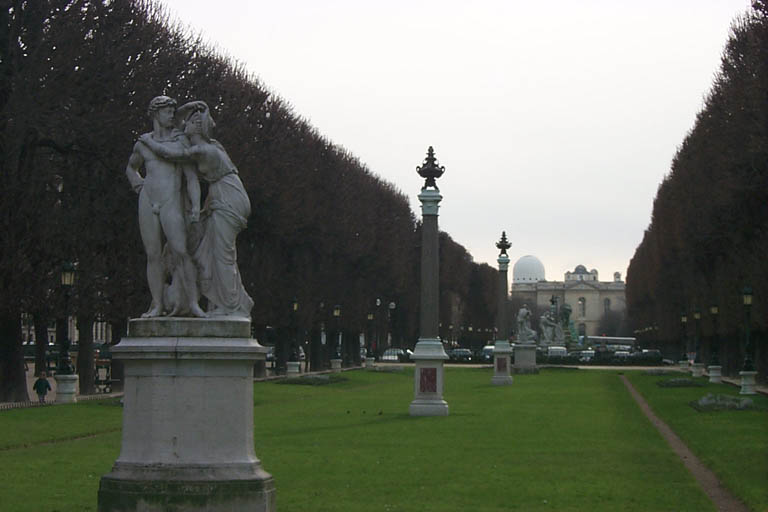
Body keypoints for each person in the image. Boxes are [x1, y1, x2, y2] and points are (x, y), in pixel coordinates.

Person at [139, 101, 253, 317]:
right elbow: (177, 125)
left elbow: (170, 154)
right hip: (223, 194)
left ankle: (230, 305)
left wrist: (147, 141)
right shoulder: (213, 144)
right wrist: (188, 107)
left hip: (227, 196)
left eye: (189, 122)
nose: (181, 124)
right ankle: (230, 301)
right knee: (212, 251)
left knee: (222, 254)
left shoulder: (202, 149)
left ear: (197, 127)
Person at [125, 96, 206, 318]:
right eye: (168, 111)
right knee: (152, 255)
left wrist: (196, 206)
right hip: (148, 199)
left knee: (181, 252)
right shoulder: (142, 143)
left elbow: (191, 178)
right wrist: (137, 184)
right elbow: (131, 168)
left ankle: (193, 304)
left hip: (171, 200)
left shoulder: (180, 141)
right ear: (156, 113)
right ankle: (157, 304)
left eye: (173, 111)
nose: (172, 114)